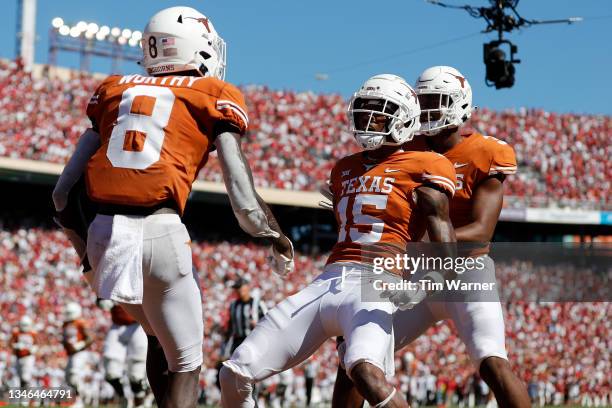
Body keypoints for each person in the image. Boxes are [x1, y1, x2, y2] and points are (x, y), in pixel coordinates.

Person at [52, 6, 294, 408]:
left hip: (101, 237)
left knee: (156, 337)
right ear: (198, 48)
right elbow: (243, 199)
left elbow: (61, 196)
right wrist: (274, 234)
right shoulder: (213, 94)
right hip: (159, 231)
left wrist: (86, 257)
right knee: (187, 362)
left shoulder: (114, 90)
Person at [220, 73, 457, 407]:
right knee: (234, 372)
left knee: (363, 372)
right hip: (328, 280)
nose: (368, 120)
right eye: (363, 112)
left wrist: (429, 280)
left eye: (380, 113)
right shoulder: (344, 167)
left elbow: (441, 230)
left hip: (377, 281)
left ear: (404, 118)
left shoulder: (427, 163)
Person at [331, 66, 530, 408]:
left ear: (460, 105)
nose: (426, 109)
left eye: (435, 101)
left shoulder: (485, 153)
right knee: (353, 357)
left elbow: (482, 229)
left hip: (465, 270)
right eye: (422, 101)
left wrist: (417, 244)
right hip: (414, 270)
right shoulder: (406, 146)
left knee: (493, 362)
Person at [98, 300, 149, 408]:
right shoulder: (110, 281)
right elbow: (100, 295)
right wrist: (101, 299)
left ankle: (139, 402)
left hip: (138, 325)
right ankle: (123, 396)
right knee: (111, 372)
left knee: (136, 374)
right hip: (117, 325)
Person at [223, 277, 268, 355]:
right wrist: (226, 344)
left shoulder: (258, 304)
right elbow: (231, 326)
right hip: (238, 342)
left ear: (247, 287)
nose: (239, 290)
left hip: (254, 340)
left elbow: (267, 322)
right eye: (237, 288)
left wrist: (257, 325)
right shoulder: (234, 305)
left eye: (240, 286)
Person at [62, 302, 93, 408]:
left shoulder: (80, 322)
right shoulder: (65, 324)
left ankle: (80, 400)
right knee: (68, 378)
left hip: (80, 353)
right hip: (71, 354)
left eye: (70, 312)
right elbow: (65, 340)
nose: (68, 314)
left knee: (74, 376)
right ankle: (84, 394)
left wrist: (79, 345)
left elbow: (90, 338)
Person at [10, 316, 37, 388]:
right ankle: (22, 392)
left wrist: (33, 349)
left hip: (28, 357)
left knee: (25, 377)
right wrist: (16, 346)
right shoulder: (16, 333)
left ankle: (27, 392)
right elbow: (11, 343)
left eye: (26, 325)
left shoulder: (33, 333)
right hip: (18, 357)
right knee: (17, 377)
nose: (24, 327)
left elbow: (36, 344)